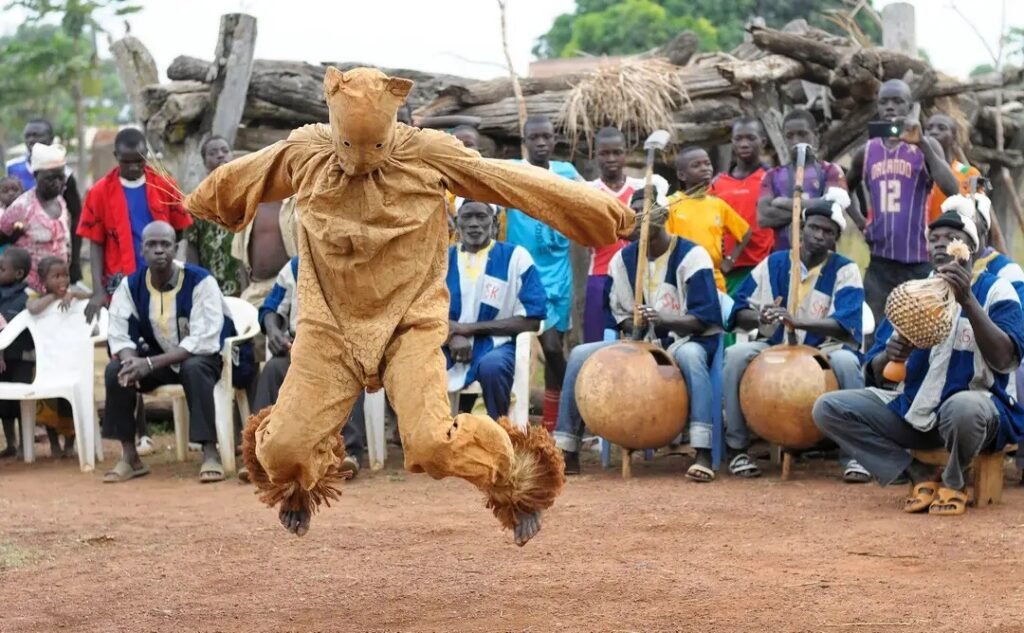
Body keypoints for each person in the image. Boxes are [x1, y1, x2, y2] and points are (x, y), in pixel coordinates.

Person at [184, 67, 632, 545]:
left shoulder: (430, 151)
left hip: (409, 327)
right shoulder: (303, 151)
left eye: (372, 149)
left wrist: (604, 213)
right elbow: (242, 176)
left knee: (430, 445)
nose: (358, 163)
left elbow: (509, 180)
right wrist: (196, 199)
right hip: (328, 329)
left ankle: (515, 480)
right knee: (281, 451)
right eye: (348, 148)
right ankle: (298, 485)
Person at [813, 205, 1024, 516]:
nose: (940, 242)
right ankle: (917, 474)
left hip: (976, 417)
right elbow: (875, 368)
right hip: (916, 411)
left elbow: (1006, 358)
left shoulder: (996, 289)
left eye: (951, 237)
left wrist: (967, 299)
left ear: (970, 248)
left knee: (963, 407)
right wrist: (890, 355)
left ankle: (954, 480)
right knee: (828, 408)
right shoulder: (912, 292)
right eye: (934, 237)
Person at [554, 192, 723, 479]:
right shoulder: (623, 259)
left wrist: (665, 319)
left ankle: (702, 452)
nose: (637, 221)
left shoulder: (692, 256)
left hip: (685, 340)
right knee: (581, 354)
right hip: (639, 341)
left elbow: (705, 317)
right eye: (632, 216)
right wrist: (634, 326)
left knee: (692, 356)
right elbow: (616, 313)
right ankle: (567, 450)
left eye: (642, 214)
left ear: (661, 217)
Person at [725, 202, 868, 481]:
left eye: (827, 231)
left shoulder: (845, 270)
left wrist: (797, 322)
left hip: (824, 351)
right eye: (813, 227)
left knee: (848, 361)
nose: (818, 235)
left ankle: (855, 455)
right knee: (735, 355)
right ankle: (737, 447)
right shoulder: (775, 263)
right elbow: (737, 311)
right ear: (801, 229)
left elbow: (845, 326)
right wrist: (761, 318)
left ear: (834, 239)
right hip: (777, 348)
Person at [102, 221, 243, 484]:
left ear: (176, 249)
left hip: (206, 360)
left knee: (195, 367)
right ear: (141, 250)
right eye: (151, 245)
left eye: (165, 244)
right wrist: (133, 362)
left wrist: (149, 363)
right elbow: (119, 333)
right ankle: (130, 456)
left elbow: (204, 340)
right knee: (116, 370)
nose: (158, 251)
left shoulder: (201, 282)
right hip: (158, 362)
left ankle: (209, 452)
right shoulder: (130, 286)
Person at [847, 79, 960, 324]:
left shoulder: (925, 146)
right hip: (880, 262)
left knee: (919, 329)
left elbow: (951, 188)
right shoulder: (866, 151)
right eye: (884, 101)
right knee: (873, 330)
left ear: (909, 107)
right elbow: (845, 187)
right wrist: (860, 222)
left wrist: (922, 143)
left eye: (897, 101)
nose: (890, 107)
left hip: (918, 261)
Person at [504, 115, 582, 431]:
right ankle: (511, 422)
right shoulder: (513, 172)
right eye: (534, 137)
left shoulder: (567, 174)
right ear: (525, 141)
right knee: (518, 348)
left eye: (546, 137)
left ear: (554, 140)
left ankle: (558, 422)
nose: (540, 143)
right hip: (523, 274)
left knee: (553, 347)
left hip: (558, 275)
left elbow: (587, 204)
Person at [256, 255, 364, 478]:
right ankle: (260, 453)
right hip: (299, 350)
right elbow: (269, 309)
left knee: (351, 376)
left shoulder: (354, 263)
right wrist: (274, 331)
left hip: (340, 350)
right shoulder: (295, 267)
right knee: (273, 370)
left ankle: (347, 454)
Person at [79, 127, 192, 321]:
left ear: (146, 156)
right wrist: (98, 291)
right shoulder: (99, 193)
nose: (133, 167)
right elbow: (96, 244)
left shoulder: (165, 186)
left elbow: (179, 229)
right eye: (126, 162)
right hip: (119, 280)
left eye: (139, 161)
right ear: (116, 156)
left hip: (161, 276)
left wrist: (163, 254)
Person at [446, 200, 546, 418]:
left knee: (493, 367)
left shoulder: (516, 258)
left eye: (481, 217)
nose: (474, 224)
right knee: (418, 367)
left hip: (498, 345)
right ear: (456, 222)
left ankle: (498, 433)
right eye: (467, 217)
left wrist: (467, 329)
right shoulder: (441, 260)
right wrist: (451, 336)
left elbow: (533, 319)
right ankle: (436, 439)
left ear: (494, 222)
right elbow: (424, 310)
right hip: (447, 344)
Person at [585, 126, 668, 343]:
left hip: (640, 272)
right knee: (599, 341)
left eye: (617, 152)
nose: (611, 158)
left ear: (626, 153)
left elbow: (655, 227)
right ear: (595, 156)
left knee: (642, 337)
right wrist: (632, 230)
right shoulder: (588, 192)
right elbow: (591, 233)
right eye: (604, 153)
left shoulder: (644, 188)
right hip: (601, 275)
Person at [757, 109, 856, 254]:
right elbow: (764, 218)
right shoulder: (772, 175)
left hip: (822, 259)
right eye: (789, 136)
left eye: (802, 134)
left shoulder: (831, 170)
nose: (796, 141)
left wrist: (783, 203)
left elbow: (833, 210)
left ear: (815, 135)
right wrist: (817, 206)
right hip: (783, 259)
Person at [25, 256, 91, 458]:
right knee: (48, 409)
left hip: (72, 364)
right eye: (56, 277)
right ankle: (54, 445)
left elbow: (90, 294)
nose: (62, 281)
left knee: (69, 409)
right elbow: (32, 308)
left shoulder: (73, 294)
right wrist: (54, 297)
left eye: (65, 276)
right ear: (43, 280)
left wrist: (72, 295)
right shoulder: (37, 297)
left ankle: (70, 445)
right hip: (47, 364)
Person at [5, 118, 83, 281]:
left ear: (51, 139)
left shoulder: (66, 175)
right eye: (28, 136)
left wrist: (75, 261)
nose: (31, 140)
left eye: (37, 135)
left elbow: (76, 216)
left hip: (57, 261)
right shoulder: (13, 168)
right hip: (24, 260)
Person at [666, 145, 752, 292]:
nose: (705, 168)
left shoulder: (717, 204)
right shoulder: (670, 204)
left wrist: (729, 261)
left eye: (707, 163)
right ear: (681, 175)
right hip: (682, 278)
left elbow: (745, 232)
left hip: (714, 279)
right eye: (696, 165)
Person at [710, 118, 773, 294]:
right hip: (727, 269)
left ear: (763, 141)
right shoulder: (718, 183)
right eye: (739, 138)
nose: (744, 144)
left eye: (751, 138)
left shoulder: (771, 178)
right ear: (732, 142)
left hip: (762, 265)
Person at [0, 143, 71, 293]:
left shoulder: (61, 202)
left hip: (59, 286)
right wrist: (16, 233)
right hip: (29, 289)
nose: (57, 183)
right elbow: (2, 236)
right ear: (36, 176)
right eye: (50, 178)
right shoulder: (22, 206)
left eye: (61, 177)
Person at [185, 136, 242, 296]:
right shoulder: (197, 200)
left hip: (242, 282)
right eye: (213, 152)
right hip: (211, 285)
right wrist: (195, 282)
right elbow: (192, 246)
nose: (220, 155)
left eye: (225, 151)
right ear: (204, 162)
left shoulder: (244, 195)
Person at [0, 248, 33, 458]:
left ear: (18, 274)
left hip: (22, 358)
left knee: (22, 398)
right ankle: (10, 442)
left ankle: (24, 444)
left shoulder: (28, 298)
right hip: (1, 359)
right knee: (3, 403)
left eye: (2, 269)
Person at [924, 112, 983, 223]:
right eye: (928, 128)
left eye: (942, 128)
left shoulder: (969, 173)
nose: (933, 132)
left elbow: (976, 215)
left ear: (954, 136)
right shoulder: (915, 171)